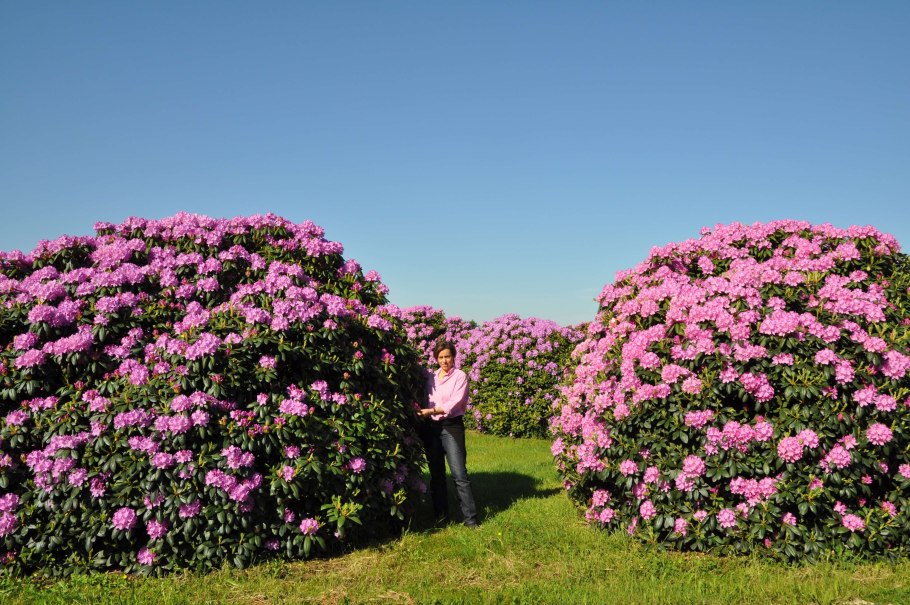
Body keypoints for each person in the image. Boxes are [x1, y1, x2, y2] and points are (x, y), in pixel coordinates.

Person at [418, 340, 479, 528]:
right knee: (436, 475)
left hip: (451, 427)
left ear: (453, 357)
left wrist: (431, 411)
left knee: (459, 474)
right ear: (436, 358)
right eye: (441, 357)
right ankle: (441, 516)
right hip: (432, 429)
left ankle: (470, 520)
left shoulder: (460, 377)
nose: (444, 360)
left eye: (448, 356)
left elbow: (454, 403)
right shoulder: (430, 377)